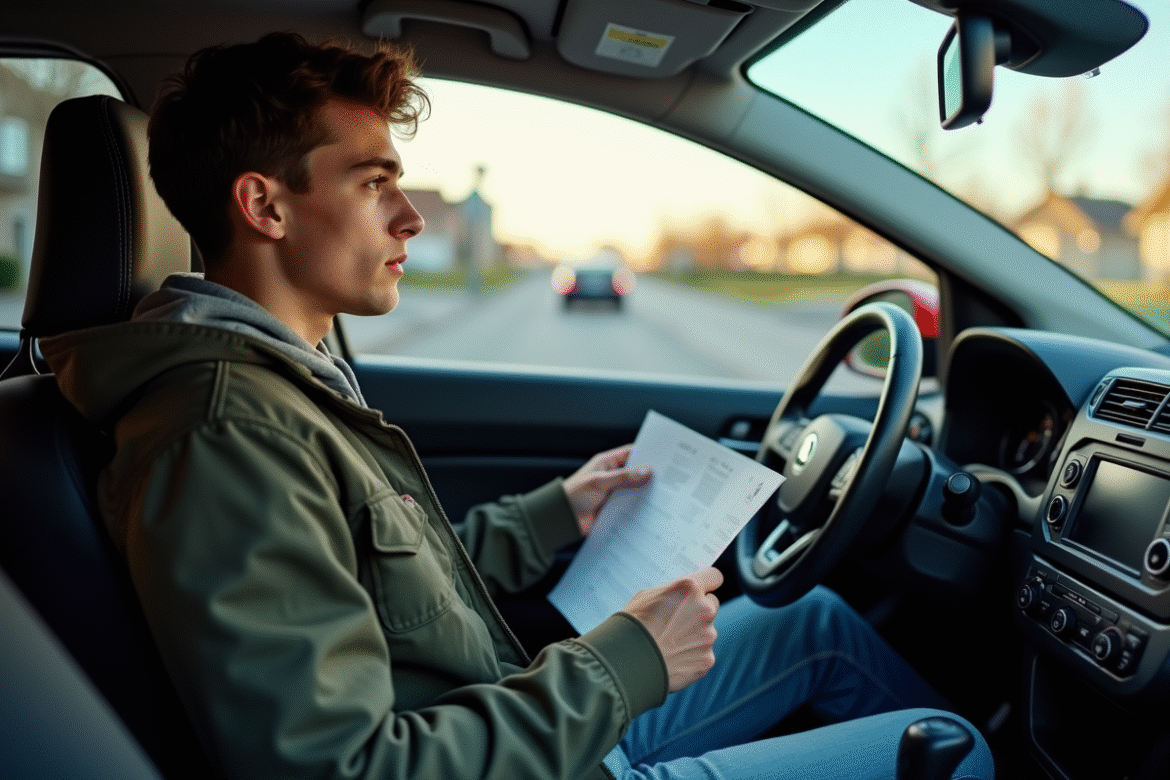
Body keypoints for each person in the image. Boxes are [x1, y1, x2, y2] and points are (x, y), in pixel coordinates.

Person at [41, 32, 994, 780]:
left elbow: (381, 590)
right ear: (266, 205)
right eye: (375, 184)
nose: (412, 217)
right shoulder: (223, 428)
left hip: (517, 725)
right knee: (949, 744)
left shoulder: (283, 372)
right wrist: (625, 665)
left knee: (819, 623)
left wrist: (555, 514)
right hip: (531, 751)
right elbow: (336, 769)